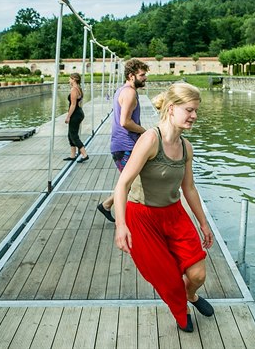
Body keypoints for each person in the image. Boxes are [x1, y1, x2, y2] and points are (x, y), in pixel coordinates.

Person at [113, 82, 215, 333]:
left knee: (198, 274)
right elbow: (122, 184)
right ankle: (181, 310)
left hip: (174, 214)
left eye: (196, 111)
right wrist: (121, 225)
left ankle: (191, 296)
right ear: (171, 108)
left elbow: (189, 188)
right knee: (168, 280)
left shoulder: (186, 147)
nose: (194, 116)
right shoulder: (150, 140)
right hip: (143, 217)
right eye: (189, 110)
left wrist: (203, 223)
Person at [96, 58, 150, 223]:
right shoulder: (129, 93)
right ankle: (126, 220)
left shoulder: (122, 90)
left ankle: (106, 205)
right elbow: (125, 122)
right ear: (131, 75)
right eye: (142, 75)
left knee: (130, 181)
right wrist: (146, 132)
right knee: (134, 183)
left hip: (124, 145)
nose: (145, 78)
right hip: (125, 146)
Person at [63, 73, 89, 163]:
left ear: (74, 79)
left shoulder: (74, 89)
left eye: (70, 79)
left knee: (74, 135)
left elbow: (73, 104)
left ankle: (84, 154)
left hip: (75, 114)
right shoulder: (79, 88)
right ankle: (72, 155)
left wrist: (68, 117)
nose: (68, 80)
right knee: (70, 135)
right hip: (78, 112)